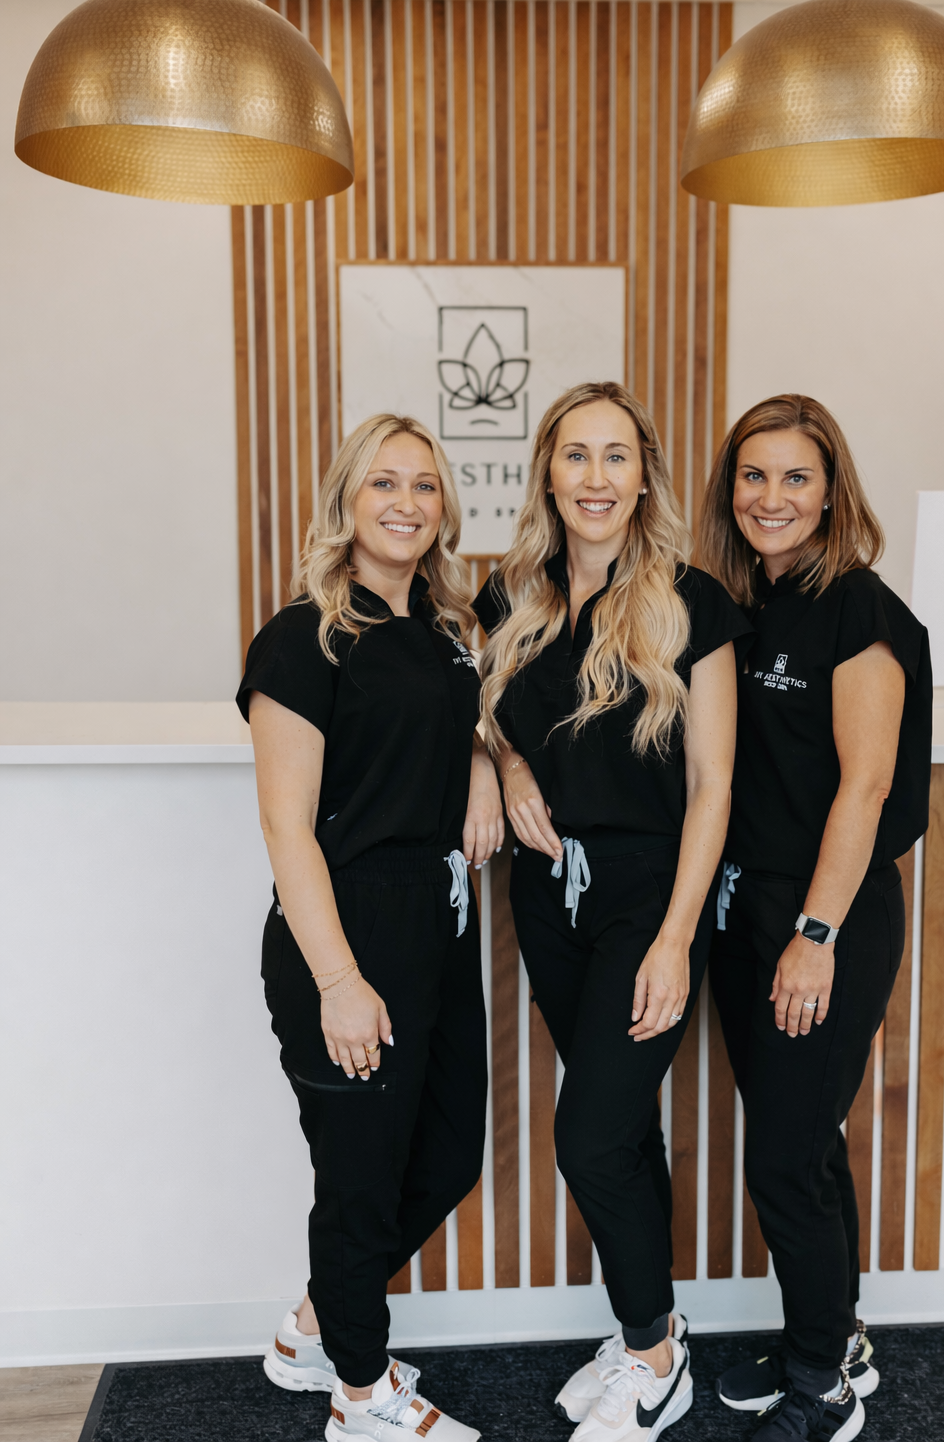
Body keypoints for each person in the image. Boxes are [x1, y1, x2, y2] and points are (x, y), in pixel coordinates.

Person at [474, 381, 752, 1442]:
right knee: (622, 1125)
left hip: (650, 897)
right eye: (576, 456)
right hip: (546, 898)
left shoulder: (691, 601)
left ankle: (651, 1358)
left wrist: (678, 938)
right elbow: (484, 716)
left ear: (644, 476)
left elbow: (714, 785)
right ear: (547, 471)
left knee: (585, 1137)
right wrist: (500, 765)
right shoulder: (509, 596)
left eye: (616, 457)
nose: (596, 478)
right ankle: (653, 1330)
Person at [237, 414, 503, 1442]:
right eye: (383, 483)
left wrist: (480, 764)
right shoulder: (301, 636)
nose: (405, 503)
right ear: (347, 499)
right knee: (358, 1182)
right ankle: (358, 1393)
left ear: (444, 507)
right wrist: (340, 981)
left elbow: (459, 726)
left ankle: (313, 1329)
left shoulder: (444, 628)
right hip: (341, 938)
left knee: (442, 1161)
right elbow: (284, 826)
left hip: (436, 928)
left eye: (425, 486)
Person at [698, 395, 932, 1442]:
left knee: (784, 1155)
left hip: (821, 923)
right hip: (746, 913)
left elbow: (867, 785)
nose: (771, 497)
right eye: (754, 476)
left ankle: (823, 1391)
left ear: (831, 490)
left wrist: (816, 934)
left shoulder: (859, 610)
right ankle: (828, 1337)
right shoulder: (743, 603)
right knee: (803, 1140)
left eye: (795, 477)